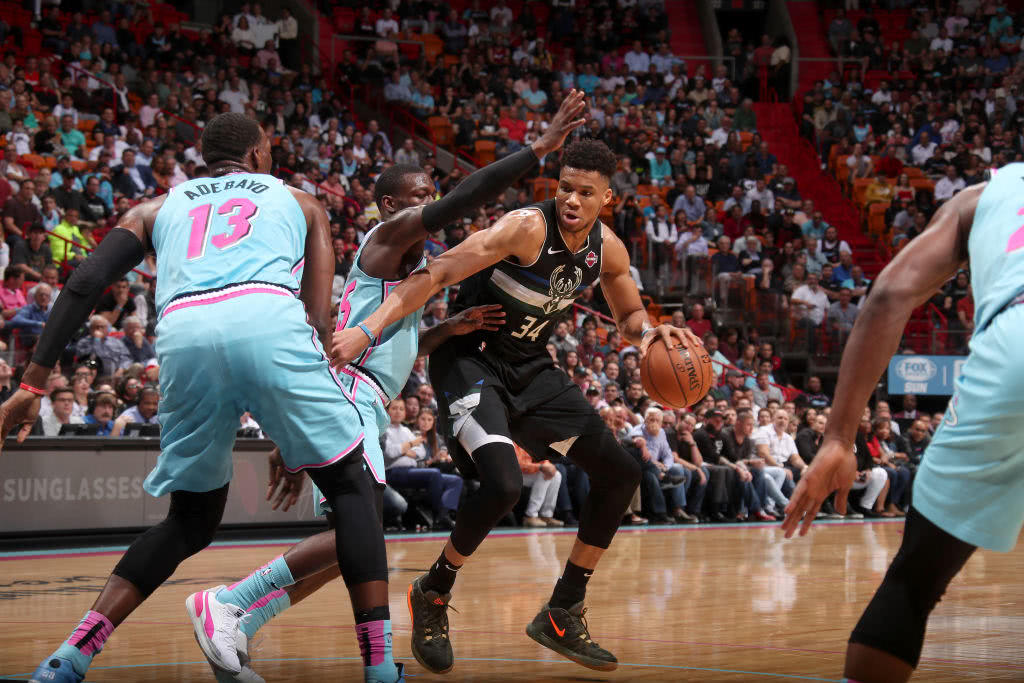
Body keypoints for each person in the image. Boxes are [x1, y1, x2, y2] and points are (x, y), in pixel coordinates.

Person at [0, 113, 406, 683]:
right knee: (353, 491)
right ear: (259, 154)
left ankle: (69, 657)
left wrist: (31, 384)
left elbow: (85, 281)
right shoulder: (301, 201)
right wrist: (295, 429)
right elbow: (317, 320)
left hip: (184, 333)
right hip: (268, 318)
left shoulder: (153, 209)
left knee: (190, 520)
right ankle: (381, 668)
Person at [199, 94, 588, 680]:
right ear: (389, 206)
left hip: (363, 397)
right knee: (360, 534)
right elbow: (463, 200)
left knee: (349, 547)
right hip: (349, 394)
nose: (430, 203)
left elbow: (391, 345)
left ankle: (243, 620)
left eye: (431, 193)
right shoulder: (385, 240)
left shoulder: (403, 274)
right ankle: (230, 602)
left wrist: (445, 330)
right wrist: (538, 148)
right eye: (419, 196)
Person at [332, 137, 700, 674]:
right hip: (471, 360)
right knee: (504, 484)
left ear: (607, 198)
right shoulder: (525, 227)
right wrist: (368, 328)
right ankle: (434, 589)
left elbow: (628, 315)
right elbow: (436, 273)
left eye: (586, 192)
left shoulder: (609, 250)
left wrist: (648, 336)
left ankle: (562, 609)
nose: (572, 199)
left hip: (530, 369)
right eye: (565, 188)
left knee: (622, 472)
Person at [782, 168, 1024, 683]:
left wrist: (839, 438)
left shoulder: (986, 195)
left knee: (914, 583)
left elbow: (891, 294)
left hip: (1012, 348)